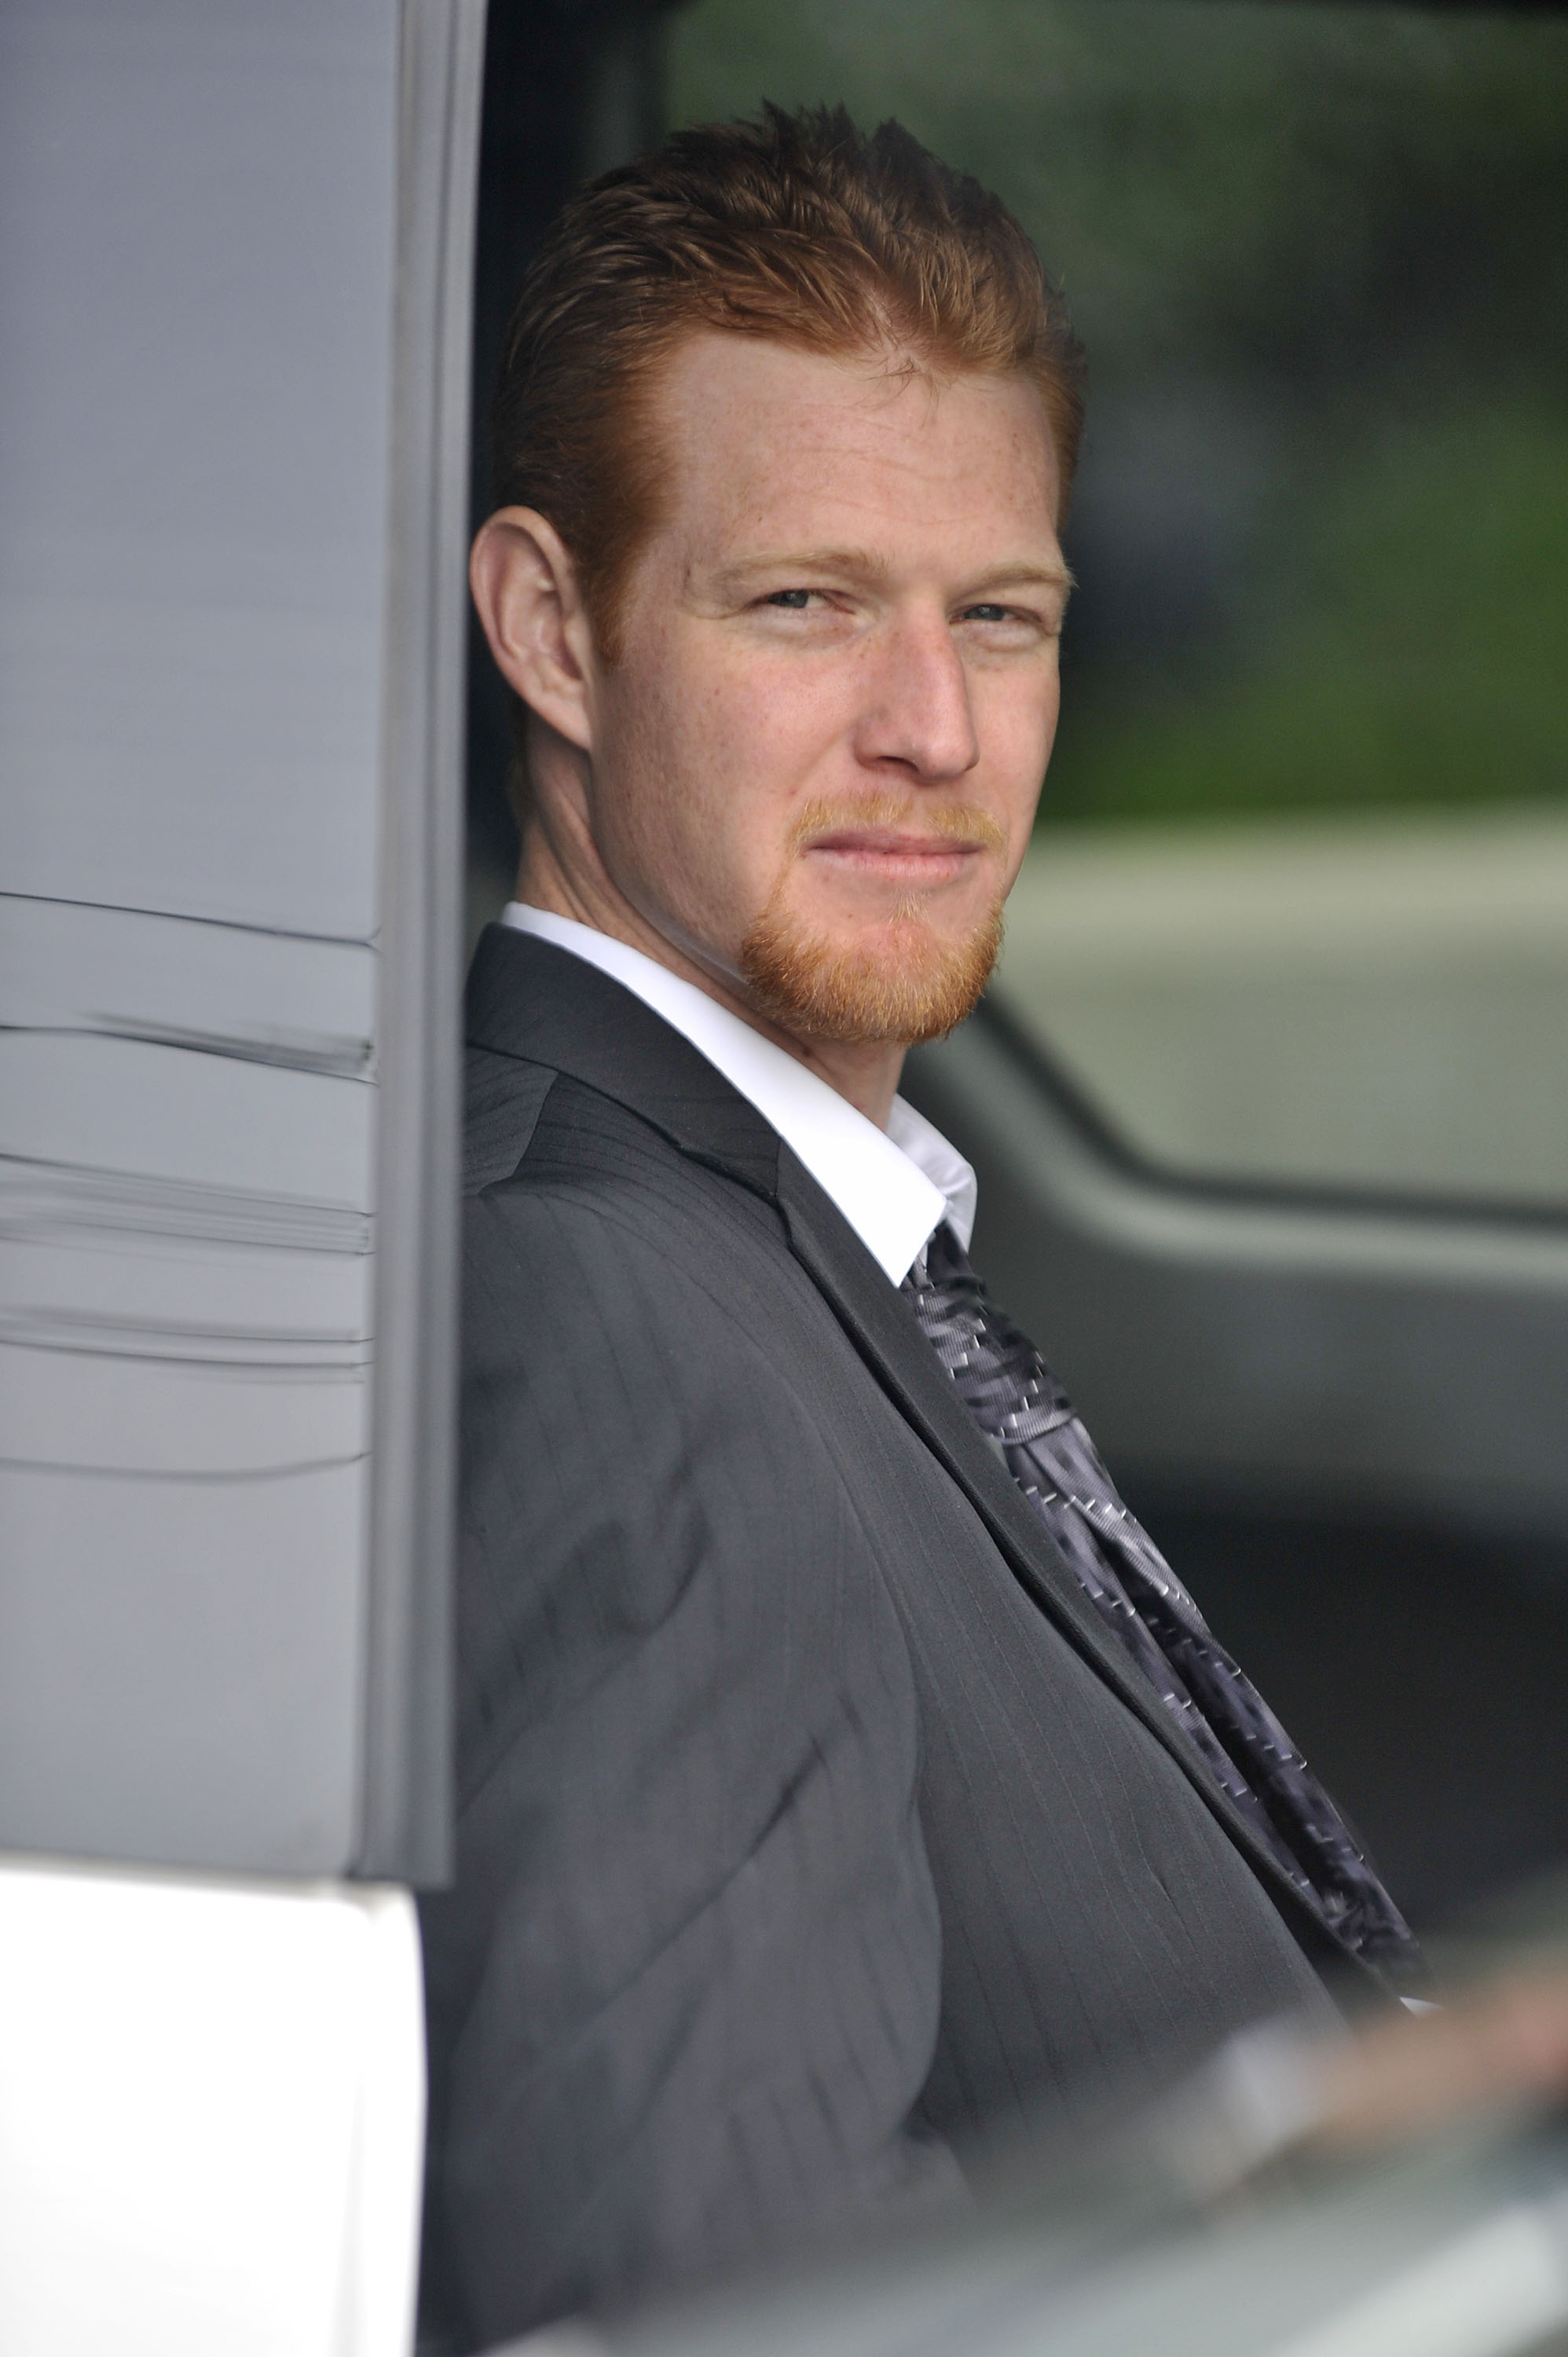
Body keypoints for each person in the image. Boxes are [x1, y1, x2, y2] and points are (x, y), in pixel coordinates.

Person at [417, 103, 1420, 2352]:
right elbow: (722, 2308)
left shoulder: (796, 1237)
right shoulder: (593, 1315)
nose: (934, 729)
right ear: (553, 633)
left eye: (1001, 616)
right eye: (804, 606)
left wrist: (1381, 2118)